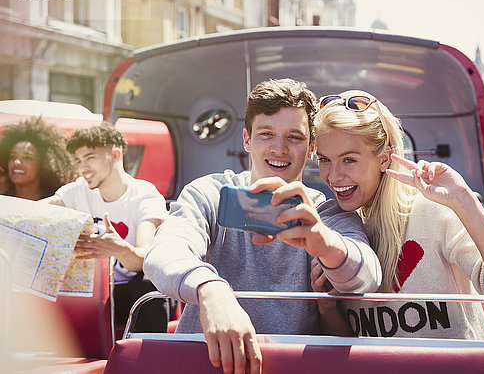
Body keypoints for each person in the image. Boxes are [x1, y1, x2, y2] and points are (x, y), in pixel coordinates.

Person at [143, 79, 381, 374]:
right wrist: (212, 290)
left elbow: (367, 278)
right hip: (204, 363)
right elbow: (164, 252)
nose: (279, 148)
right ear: (247, 139)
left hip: (290, 367)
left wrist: (324, 241)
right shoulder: (210, 193)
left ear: (311, 148)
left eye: (294, 137)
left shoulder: (326, 211)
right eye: (266, 134)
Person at [310, 90, 484, 340]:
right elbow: (349, 348)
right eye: (324, 160)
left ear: (384, 159)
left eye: (349, 160)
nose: (333, 176)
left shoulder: (434, 213)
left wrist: (463, 200)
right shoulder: (340, 238)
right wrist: (327, 307)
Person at [43, 122, 169, 333]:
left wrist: (118, 249)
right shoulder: (78, 190)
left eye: (90, 158)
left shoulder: (144, 195)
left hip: (128, 290)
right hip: (86, 290)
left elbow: (142, 259)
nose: (83, 168)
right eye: (78, 161)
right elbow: (37, 210)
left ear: (115, 154)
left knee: (148, 288)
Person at [0, 116, 75, 200]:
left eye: (27, 157)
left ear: (44, 164)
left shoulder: (58, 200)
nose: (17, 162)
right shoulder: (3, 200)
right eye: (13, 157)